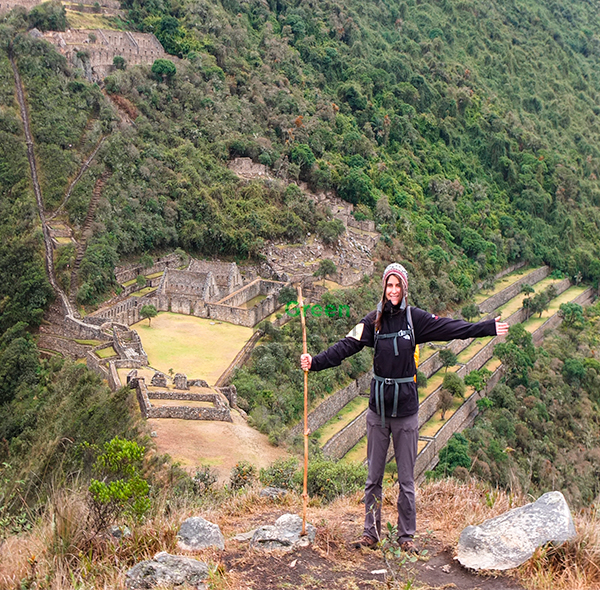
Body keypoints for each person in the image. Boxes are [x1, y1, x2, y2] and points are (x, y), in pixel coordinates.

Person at [300, 263, 509, 552]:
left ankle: (406, 537)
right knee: (373, 477)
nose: (393, 290)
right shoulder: (373, 321)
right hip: (378, 411)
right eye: (389, 285)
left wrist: (487, 327)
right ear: (384, 288)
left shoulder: (415, 320)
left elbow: (451, 328)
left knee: (407, 479)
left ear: (405, 288)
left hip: (406, 411)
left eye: (398, 285)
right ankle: (370, 534)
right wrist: (316, 361)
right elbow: (345, 346)